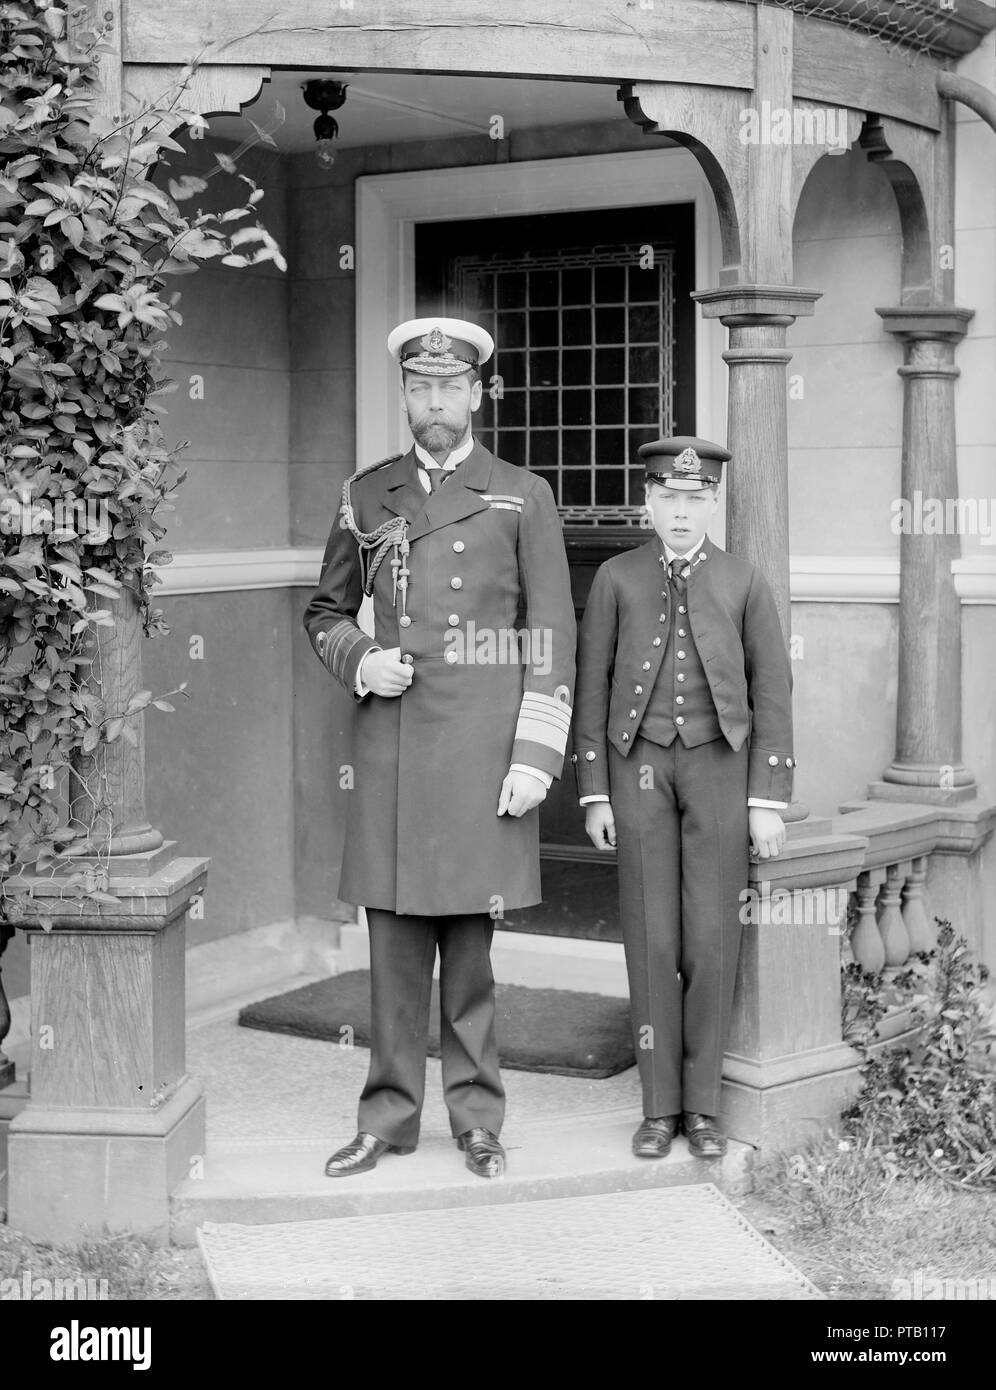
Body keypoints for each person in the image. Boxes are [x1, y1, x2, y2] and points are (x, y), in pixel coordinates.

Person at [303, 317, 576, 1179]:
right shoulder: (367, 493)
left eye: (449, 388)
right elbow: (324, 611)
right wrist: (362, 660)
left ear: (477, 394)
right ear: (407, 397)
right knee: (389, 952)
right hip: (391, 748)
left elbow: (551, 632)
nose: (434, 403)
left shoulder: (520, 495)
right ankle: (386, 1119)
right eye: (420, 389)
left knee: (468, 953)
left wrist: (535, 756)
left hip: (482, 753)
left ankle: (477, 1119)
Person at [572, 436, 793, 1159]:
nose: (680, 512)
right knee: (652, 938)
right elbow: (593, 688)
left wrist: (767, 798)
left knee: (709, 940)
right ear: (647, 501)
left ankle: (702, 1108)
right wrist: (596, 791)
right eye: (668, 498)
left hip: (719, 773)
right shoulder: (615, 578)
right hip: (638, 771)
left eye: (695, 499)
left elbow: (772, 693)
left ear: (713, 503)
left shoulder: (743, 580)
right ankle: (658, 1107)